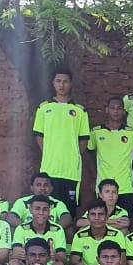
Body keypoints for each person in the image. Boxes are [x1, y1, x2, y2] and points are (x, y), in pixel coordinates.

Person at [32, 65, 91, 214]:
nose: (62, 85)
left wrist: (72, 155)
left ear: (71, 84)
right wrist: (50, 152)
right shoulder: (44, 108)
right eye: (58, 81)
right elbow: (39, 137)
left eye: (65, 81)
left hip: (71, 171)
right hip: (49, 169)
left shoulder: (80, 111)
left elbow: (83, 140)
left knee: (69, 211)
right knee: (47, 210)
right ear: (53, 83)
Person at [89, 96, 133, 202]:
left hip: (126, 187)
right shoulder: (96, 132)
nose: (116, 111)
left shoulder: (132, 133)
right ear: (107, 110)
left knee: (127, 213)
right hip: (104, 187)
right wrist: (94, 176)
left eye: (119, 108)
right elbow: (89, 153)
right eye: (112, 108)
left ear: (124, 111)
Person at [9, 195, 68, 265]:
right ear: (30, 210)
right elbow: (16, 253)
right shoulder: (21, 228)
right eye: (37, 209)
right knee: (14, 262)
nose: (41, 213)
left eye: (45, 209)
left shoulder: (58, 229)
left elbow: (63, 257)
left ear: (49, 211)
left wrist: (55, 255)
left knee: (59, 264)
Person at [69, 199, 127, 265]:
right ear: (88, 217)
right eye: (93, 214)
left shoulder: (117, 234)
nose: (97, 218)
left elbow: (122, 262)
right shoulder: (79, 235)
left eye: (100, 214)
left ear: (107, 217)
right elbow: (74, 260)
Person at [1, 173, 72, 230]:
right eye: (38, 185)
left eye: (46, 185)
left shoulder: (57, 203)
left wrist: (51, 229)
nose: (42, 188)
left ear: (51, 188)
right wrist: (30, 228)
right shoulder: (22, 202)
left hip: (50, 235)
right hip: (27, 234)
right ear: (32, 188)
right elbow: (11, 218)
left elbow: (67, 218)